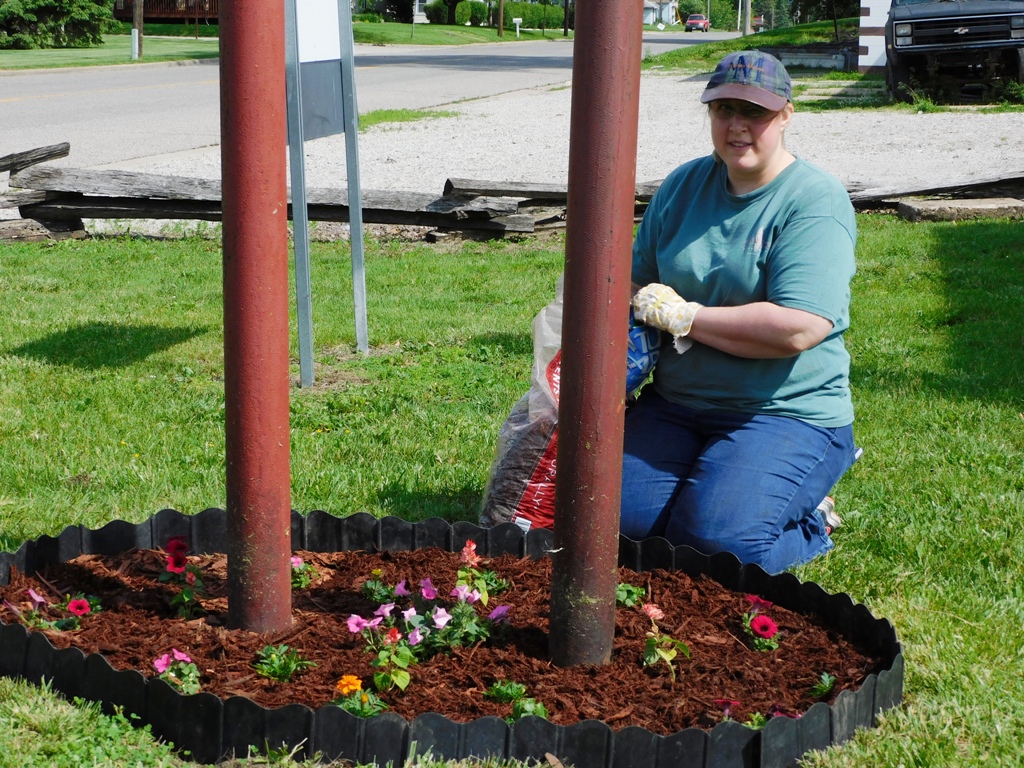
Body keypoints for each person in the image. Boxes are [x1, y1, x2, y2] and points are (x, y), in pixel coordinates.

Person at [621, 50, 857, 575]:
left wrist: (687, 317)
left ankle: (813, 522)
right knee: (611, 525)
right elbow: (634, 282)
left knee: (717, 549)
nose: (737, 126)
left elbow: (798, 328)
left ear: (786, 115)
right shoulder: (683, 186)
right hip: (677, 402)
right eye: (724, 109)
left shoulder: (813, 201)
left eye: (755, 112)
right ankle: (719, 495)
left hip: (783, 413)